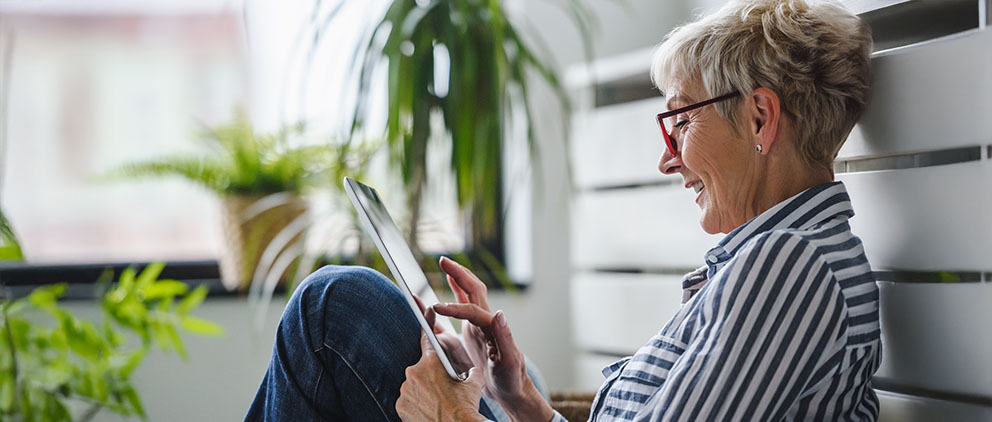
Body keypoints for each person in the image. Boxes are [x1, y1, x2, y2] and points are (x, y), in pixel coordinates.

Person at [246, 0, 880, 420]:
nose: (668, 160)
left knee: (334, 306)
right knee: (360, 313)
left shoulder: (791, 268)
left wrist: (452, 415)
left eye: (679, 120)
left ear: (760, 116)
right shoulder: (777, 259)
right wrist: (520, 400)